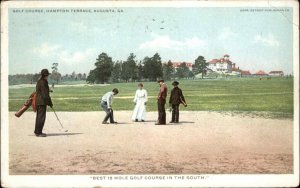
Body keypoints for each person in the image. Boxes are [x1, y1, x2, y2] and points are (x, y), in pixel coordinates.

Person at [34, 69, 53, 137]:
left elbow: (43, 92)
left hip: (39, 101)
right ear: (46, 75)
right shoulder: (43, 82)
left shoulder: (40, 81)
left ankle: (37, 131)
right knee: (41, 117)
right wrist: (50, 103)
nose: (48, 76)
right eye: (47, 75)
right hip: (42, 102)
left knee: (39, 117)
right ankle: (38, 133)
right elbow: (45, 95)